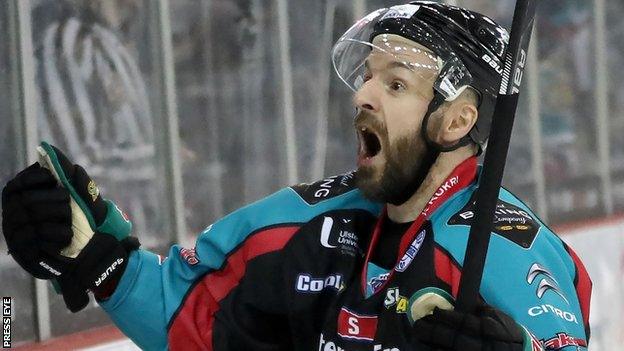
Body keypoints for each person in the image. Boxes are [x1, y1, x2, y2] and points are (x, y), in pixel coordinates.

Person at [1, 2, 591, 350]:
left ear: (456, 121)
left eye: (395, 85)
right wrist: (98, 258)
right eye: (367, 76)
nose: (362, 95)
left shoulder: (503, 252)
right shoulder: (309, 223)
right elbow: (196, 317)